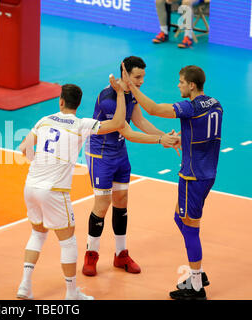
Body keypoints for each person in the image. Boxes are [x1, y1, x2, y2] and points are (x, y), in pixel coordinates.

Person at [16, 80, 128, 300]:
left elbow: (24, 148)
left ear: (61, 101)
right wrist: (120, 93)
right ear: (78, 104)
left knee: (38, 234)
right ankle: (71, 293)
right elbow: (117, 122)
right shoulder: (82, 124)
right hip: (54, 190)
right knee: (67, 241)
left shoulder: (44, 120)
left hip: (31, 185)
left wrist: (36, 163)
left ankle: (25, 286)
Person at [122, 64, 222, 300]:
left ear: (192, 85)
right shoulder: (215, 103)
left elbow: (154, 109)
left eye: (181, 82)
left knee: (190, 229)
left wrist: (130, 87)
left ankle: (197, 285)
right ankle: (198, 274)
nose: (178, 85)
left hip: (192, 176)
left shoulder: (191, 107)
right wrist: (185, 140)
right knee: (179, 217)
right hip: (207, 171)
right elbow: (203, 133)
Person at [82, 56, 180, 277]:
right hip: (101, 155)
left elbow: (141, 122)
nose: (141, 81)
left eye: (143, 76)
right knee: (103, 203)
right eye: (137, 77)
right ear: (124, 74)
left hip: (119, 153)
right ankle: (91, 255)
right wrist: (159, 141)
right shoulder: (108, 98)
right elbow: (127, 132)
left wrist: (166, 136)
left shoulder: (130, 94)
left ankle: (120, 254)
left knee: (122, 201)